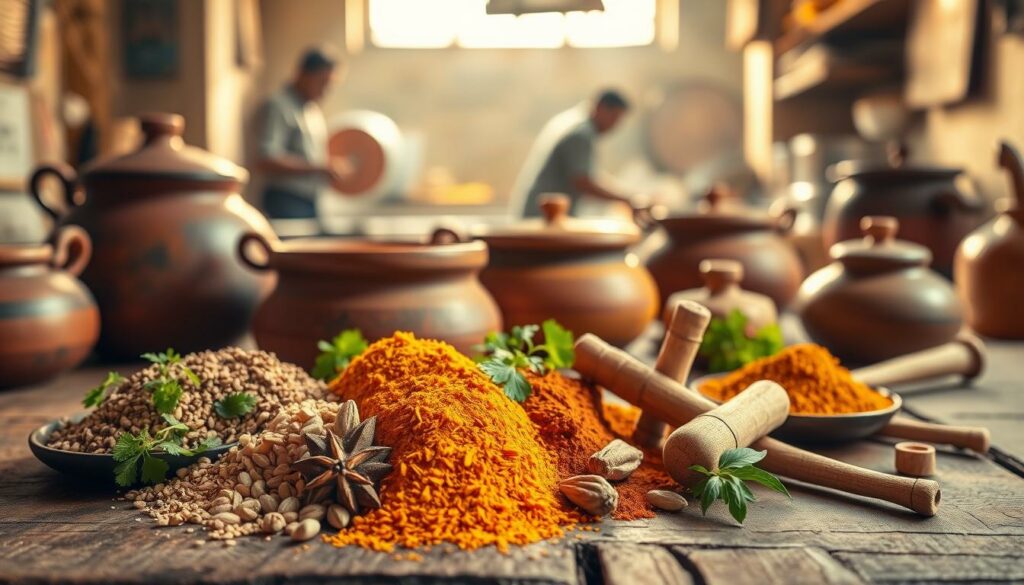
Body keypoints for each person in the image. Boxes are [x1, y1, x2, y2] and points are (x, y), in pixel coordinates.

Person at [513, 89, 643, 219]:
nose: (614, 126)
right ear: (600, 108)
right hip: (542, 217)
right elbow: (583, 182)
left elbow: (590, 175)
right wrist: (628, 199)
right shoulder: (581, 134)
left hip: (537, 213)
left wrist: (627, 195)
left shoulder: (572, 120)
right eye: (614, 118)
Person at [257, 45, 347, 220]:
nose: (325, 91)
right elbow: (266, 158)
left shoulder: (312, 111)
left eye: (330, 85)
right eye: (322, 82)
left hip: (311, 200)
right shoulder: (278, 106)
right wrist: (319, 168)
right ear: (303, 74)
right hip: (285, 200)